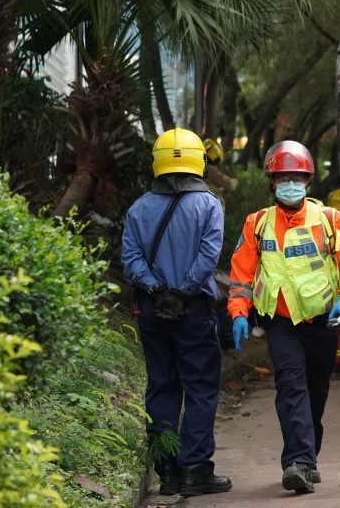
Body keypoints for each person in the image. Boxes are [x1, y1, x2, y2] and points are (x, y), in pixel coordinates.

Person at [226, 140, 340, 495]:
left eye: (297, 177)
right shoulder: (257, 224)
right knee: (291, 386)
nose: (290, 183)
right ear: (272, 181)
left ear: (308, 180)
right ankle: (298, 462)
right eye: (283, 177)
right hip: (280, 322)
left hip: (323, 321)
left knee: (315, 391)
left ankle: (308, 456)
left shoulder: (331, 221)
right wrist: (239, 312)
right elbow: (241, 275)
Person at [121, 128, 230, 497]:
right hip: (193, 310)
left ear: (158, 162)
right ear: (199, 161)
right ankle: (195, 469)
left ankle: (166, 469)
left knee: (161, 384)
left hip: (153, 309)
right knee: (199, 387)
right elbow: (208, 256)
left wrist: (155, 288)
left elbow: (131, 260)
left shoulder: (137, 209)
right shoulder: (209, 205)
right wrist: (182, 292)